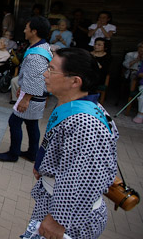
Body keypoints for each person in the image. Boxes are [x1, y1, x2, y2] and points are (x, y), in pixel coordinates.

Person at [22, 48, 118, 239]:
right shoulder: (72, 108)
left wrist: (59, 220)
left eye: (51, 70)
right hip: (55, 204)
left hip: (70, 219)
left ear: (75, 81)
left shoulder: (85, 123)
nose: (44, 74)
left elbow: (82, 178)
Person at [0, 16, 51, 163]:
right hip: (32, 95)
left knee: (15, 122)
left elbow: (35, 79)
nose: (24, 30)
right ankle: (32, 153)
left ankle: (13, 154)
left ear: (34, 31)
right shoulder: (40, 47)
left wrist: (26, 99)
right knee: (32, 124)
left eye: (27, 27)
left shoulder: (37, 54)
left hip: (32, 97)